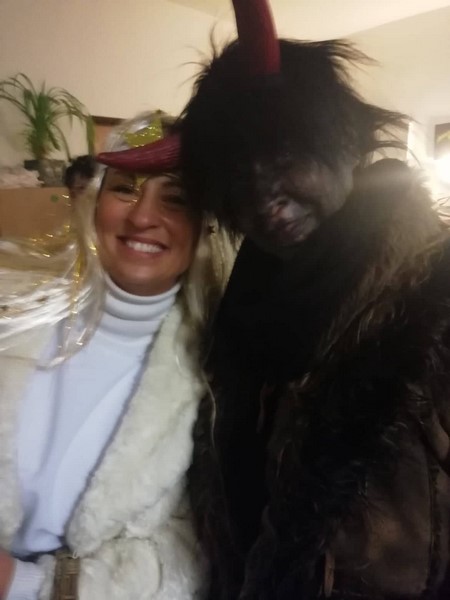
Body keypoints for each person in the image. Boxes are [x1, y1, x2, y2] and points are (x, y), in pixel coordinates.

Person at [99, 0, 450, 598]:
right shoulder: (234, 309)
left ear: (342, 142)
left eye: (285, 159)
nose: (265, 197)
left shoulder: (435, 299)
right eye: (237, 177)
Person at [0, 110, 231, 600]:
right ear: (94, 201)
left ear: (203, 226)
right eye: (125, 188)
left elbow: (183, 557)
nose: (143, 216)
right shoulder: (9, 315)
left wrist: (31, 585)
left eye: (176, 198)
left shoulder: (217, 378)